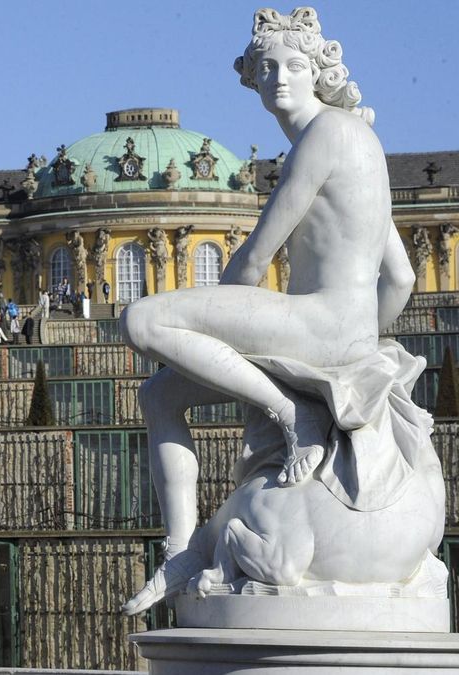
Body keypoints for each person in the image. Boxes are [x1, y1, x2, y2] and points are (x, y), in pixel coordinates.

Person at [120, 8, 415, 616]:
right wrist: (365, 347)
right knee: (159, 397)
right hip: (341, 330)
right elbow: (404, 276)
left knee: (144, 321)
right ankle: (181, 553)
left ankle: (291, 415)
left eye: (294, 65)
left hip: (318, 324)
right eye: (266, 68)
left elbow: (254, 259)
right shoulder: (362, 137)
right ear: (251, 79)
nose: (279, 79)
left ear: (320, 70)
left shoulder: (325, 134)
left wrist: (226, 318)